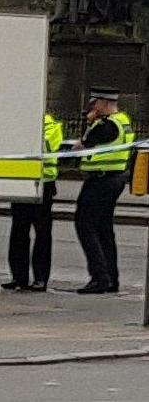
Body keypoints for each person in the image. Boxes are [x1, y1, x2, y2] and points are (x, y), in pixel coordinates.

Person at [73, 87, 135, 294]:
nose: (92, 107)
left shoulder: (107, 125)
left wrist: (89, 124)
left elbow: (82, 145)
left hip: (100, 180)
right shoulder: (123, 121)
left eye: (95, 103)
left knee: (85, 224)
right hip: (113, 179)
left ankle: (99, 277)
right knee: (103, 230)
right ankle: (110, 278)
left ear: (104, 103)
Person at [2, 113, 63, 292]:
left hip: (43, 184)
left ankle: (40, 278)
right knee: (18, 232)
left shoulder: (50, 124)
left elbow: (45, 145)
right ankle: (18, 277)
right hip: (22, 182)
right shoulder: (20, 120)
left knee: (42, 233)